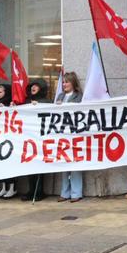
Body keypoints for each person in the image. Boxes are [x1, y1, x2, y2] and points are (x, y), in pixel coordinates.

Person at [21, 79, 50, 202]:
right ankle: (31, 189)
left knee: (39, 164)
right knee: (29, 164)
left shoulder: (46, 102)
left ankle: (39, 190)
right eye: (32, 86)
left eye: (36, 86)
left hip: (41, 137)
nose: (33, 88)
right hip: (28, 136)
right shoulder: (27, 101)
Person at [57, 72, 83, 202]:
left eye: (67, 82)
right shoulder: (60, 96)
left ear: (73, 83)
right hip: (63, 134)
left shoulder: (79, 97)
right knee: (64, 164)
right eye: (63, 82)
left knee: (75, 164)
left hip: (74, 133)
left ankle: (76, 193)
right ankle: (64, 192)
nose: (64, 84)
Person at [0, 84, 17, 200]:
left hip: (10, 139)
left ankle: (12, 187)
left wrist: (7, 108)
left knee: (10, 164)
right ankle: (3, 187)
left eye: (0, 92)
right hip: (0, 138)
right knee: (1, 164)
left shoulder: (10, 103)